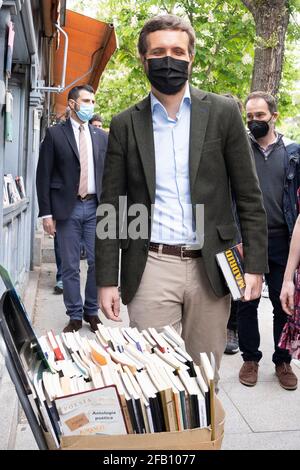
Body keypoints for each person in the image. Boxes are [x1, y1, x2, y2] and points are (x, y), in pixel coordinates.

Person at [95, 14, 268, 379]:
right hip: (151, 266)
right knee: (157, 379)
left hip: (212, 266)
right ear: (144, 60)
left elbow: (249, 195)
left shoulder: (222, 113)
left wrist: (255, 265)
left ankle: (200, 439)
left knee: (205, 379)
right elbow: (112, 206)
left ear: (191, 58)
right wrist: (107, 279)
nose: (168, 59)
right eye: (158, 52)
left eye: (177, 51)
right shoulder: (126, 123)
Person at [237, 91, 300, 390]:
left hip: (281, 240)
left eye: (259, 116)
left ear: (273, 116)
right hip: (247, 240)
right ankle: (250, 359)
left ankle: (282, 360)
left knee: (282, 302)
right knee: (246, 302)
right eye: (249, 117)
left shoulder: (293, 153)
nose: (254, 122)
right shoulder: (239, 151)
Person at [36, 84, 108, 333]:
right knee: (69, 265)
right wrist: (46, 213)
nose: (91, 105)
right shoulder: (55, 134)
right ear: (72, 104)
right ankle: (75, 315)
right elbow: (43, 175)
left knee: (98, 262)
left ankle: (91, 312)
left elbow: (108, 175)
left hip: (96, 208)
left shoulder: (101, 137)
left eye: (93, 101)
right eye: (86, 101)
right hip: (67, 209)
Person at [222, 93, 243, 355]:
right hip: (210, 226)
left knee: (235, 283)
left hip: (237, 229)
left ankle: (232, 328)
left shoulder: (246, 147)